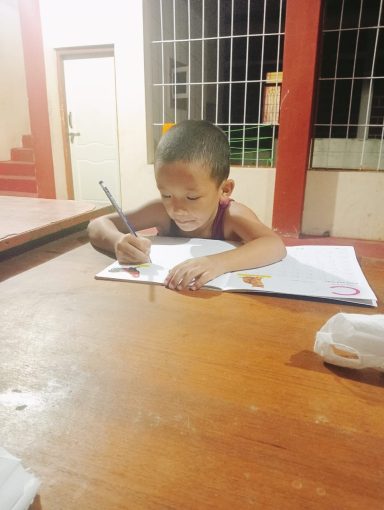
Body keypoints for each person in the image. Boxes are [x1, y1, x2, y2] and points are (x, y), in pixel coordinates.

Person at [88, 120, 286, 291]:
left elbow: (274, 245)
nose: (177, 209)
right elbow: (97, 224)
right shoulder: (161, 211)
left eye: (192, 198)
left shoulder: (231, 215)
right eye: (166, 194)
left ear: (224, 190)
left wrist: (217, 263)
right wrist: (117, 242)